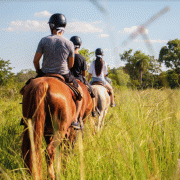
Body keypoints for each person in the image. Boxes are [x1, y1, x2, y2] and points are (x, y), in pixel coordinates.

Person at [33, 13, 82, 129]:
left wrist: (39, 72)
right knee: (79, 93)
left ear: (52, 26)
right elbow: (70, 65)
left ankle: (26, 117)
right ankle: (75, 119)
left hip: (44, 73)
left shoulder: (43, 40)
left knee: (27, 89)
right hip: (63, 74)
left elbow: (35, 61)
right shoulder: (69, 43)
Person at [70, 36, 96, 117]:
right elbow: (84, 73)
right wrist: (84, 78)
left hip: (68, 78)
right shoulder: (82, 58)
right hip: (79, 79)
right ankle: (94, 111)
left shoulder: (68, 56)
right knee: (92, 91)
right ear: (80, 45)